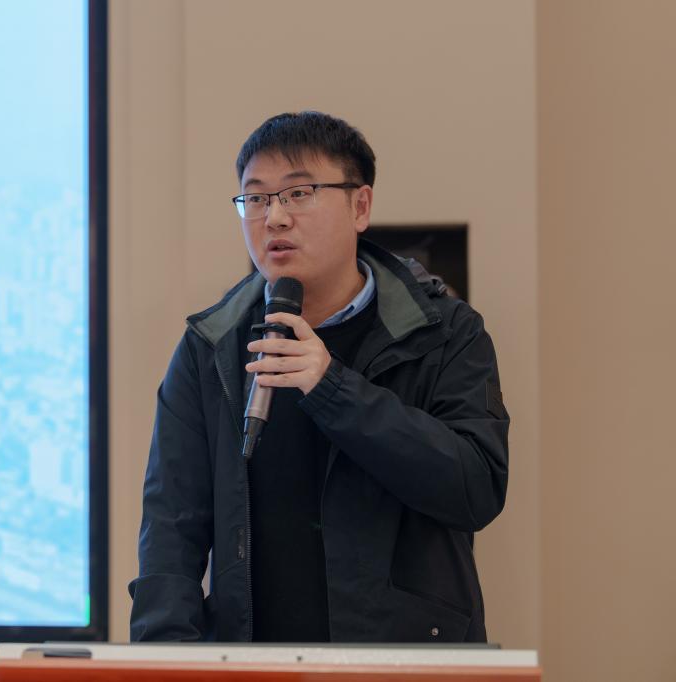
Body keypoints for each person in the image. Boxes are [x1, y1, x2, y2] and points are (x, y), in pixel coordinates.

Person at [128, 111, 509, 643]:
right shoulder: (211, 346)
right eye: (255, 198)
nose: (274, 218)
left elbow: (476, 489)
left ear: (360, 206)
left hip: (405, 660)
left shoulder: (444, 332)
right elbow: (171, 527)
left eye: (298, 193)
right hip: (253, 662)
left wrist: (332, 388)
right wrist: (163, 659)